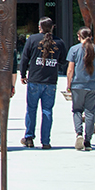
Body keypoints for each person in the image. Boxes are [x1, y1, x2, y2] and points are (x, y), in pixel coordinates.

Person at [19, 17, 67, 149]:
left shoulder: (33, 39)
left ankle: (29, 137)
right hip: (50, 81)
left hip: (34, 79)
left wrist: (23, 74)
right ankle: (45, 141)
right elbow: (63, 61)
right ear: (52, 27)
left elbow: (24, 58)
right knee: (47, 111)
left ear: (40, 27)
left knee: (31, 109)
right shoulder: (59, 42)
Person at [66, 26, 95, 151]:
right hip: (92, 86)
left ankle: (79, 133)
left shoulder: (74, 49)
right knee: (90, 112)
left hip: (77, 85)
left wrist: (68, 84)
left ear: (79, 37)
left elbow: (70, 70)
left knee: (77, 110)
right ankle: (88, 141)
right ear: (91, 37)